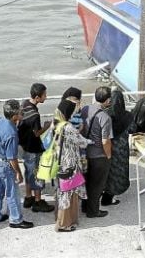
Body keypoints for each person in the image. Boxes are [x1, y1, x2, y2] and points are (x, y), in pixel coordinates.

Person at [0, 99, 33, 229]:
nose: (22, 113)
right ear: (14, 116)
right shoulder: (11, 133)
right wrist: (19, 173)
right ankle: (16, 220)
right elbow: (12, 158)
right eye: (20, 112)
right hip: (6, 166)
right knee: (12, 192)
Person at [54, 98, 91, 232]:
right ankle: (64, 224)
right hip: (70, 165)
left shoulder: (58, 124)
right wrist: (92, 141)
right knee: (68, 194)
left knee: (64, 192)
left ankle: (68, 220)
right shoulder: (68, 127)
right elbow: (82, 142)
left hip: (61, 162)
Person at [18, 83, 53, 213]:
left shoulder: (24, 104)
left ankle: (28, 197)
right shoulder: (35, 115)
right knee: (38, 174)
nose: (46, 97)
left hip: (24, 146)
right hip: (33, 148)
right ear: (37, 97)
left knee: (28, 172)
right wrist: (47, 126)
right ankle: (38, 201)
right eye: (44, 95)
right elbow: (37, 133)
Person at [82, 86, 113, 218]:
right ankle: (93, 211)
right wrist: (109, 155)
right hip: (98, 155)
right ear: (107, 100)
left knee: (86, 181)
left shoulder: (85, 109)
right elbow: (105, 141)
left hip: (84, 153)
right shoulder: (105, 117)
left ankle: (84, 206)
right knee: (97, 185)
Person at [101, 89, 133, 205]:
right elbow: (132, 129)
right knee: (119, 173)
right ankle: (110, 196)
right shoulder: (128, 116)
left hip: (107, 148)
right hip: (122, 150)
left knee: (107, 172)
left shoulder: (105, 114)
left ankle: (104, 193)